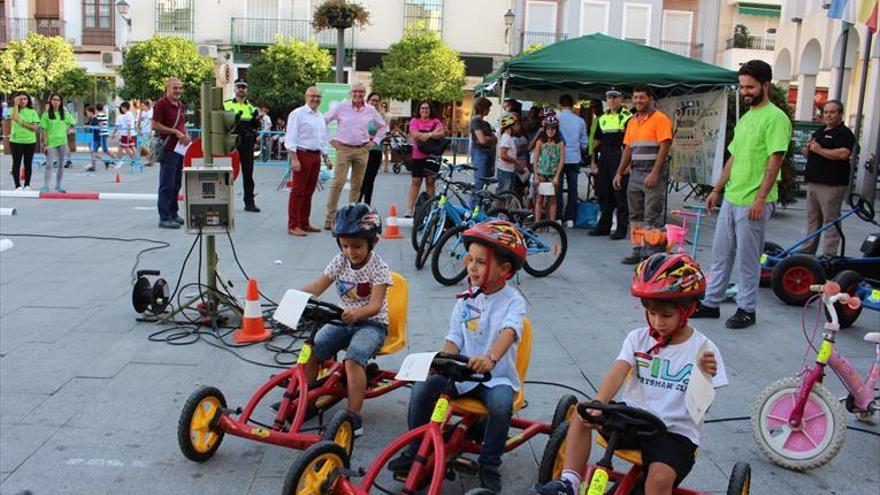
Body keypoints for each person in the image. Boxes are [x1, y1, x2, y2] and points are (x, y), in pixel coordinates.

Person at [537, 253, 728, 495]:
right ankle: (569, 482)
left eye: (666, 315)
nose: (658, 322)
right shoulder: (638, 338)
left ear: (688, 309)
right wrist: (599, 402)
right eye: (652, 313)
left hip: (674, 433)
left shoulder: (704, 350)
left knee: (658, 482)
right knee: (580, 413)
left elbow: (702, 407)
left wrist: (705, 376)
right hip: (631, 418)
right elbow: (618, 371)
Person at [388, 220, 528, 493]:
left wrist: (490, 358)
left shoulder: (514, 301)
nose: (472, 267)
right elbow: (454, 338)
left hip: (495, 377)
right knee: (422, 388)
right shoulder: (465, 299)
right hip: (461, 376)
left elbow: (509, 331)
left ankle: (489, 463)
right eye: (470, 260)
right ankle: (417, 449)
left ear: (505, 270)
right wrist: (439, 363)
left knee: (500, 405)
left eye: (480, 262)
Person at [691, 60, 792, 329]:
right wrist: (716, 190)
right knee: (720, 254)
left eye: (750, 87)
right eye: (742, 87)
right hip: (732, 198)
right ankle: (711, 303)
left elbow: (775, 162)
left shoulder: (776, 118)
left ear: (766, 86)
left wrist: (760, 199)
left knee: (748, 260)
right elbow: (733, 158)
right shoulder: (747, 118)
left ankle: (747, 309)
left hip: (754, 202)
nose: (745, 92)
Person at [298, 203, 391, 437]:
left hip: (372, 323)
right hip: (343, 320)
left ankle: (353, 414)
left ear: (373, 241)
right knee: (313, 350)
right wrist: (295, 297)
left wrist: (357, 314)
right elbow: (318, 286)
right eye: (345, 245)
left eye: (357, 246)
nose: (351, 251)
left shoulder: (379, 268)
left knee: (353, 360)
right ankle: (304, 401)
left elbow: (376, 305)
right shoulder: (340, 260)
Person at [614, 86, 673, 264]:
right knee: (635, 216)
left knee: (652, 217)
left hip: (653, 175)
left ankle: (651, 256)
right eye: (635, 98)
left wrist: (655, 173)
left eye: (642, 97)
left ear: (650, 99)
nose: (638, 101)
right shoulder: (632, 121)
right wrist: (619, 172)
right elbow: (628, 149)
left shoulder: (660, 119)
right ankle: (637, 250)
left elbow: (665, 146)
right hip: (635, 174)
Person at [323, 82, 387, 230]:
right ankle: (330, 218)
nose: (358, 94)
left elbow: (383, 126)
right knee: (337, 183)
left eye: (361, 92)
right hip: (343, 149)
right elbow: (323, 120)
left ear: (365, 94)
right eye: (355, 91)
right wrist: (331, 140)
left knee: (356, 186)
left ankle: (351, 217)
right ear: (350, 93)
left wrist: (375, 141)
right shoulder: (341, 107)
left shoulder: (370, 109)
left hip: (362, 150)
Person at [800, 100, 855, 256]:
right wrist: (807, 149)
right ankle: (808, 252)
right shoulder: (819, 131)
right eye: (825, 112)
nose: (828, 115)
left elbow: (843, 154)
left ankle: (829, 255)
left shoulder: (844, 133)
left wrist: (818, 149)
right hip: (813, 181)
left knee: (831, 221)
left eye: (832, 112)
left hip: (831, 184)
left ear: (840, 114)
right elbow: (809, 152)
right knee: (812, 219)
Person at [284, 86, 332, 237]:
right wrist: (294, 159)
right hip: (302, 155)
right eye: (312, 96)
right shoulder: (298, 114)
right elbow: (291, 137)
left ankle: (304, 222)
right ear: (306, 97)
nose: (315, 99)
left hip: (315, 156)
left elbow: (322, 139)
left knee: (309, 191)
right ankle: (293, 225)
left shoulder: (320, 117)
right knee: (298, 191)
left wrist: (326, 157)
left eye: (318, 96)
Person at [591, 88, 633, 239]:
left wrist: (628, 165)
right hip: (605, 157)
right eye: (609, 98)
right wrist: (593, 161)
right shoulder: (602, 118)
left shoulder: (628, 117)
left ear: (621, 99)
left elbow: (631, 143)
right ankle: (604, 226)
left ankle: (621, 229)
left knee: (620, 194)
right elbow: (597, 142)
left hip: (619, 155)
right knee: (604, 193)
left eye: (615, 97)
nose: (612, 100)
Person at [152, 77, 191, 229]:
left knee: (176, 183)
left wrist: (185, 134)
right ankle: (164, 216)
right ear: (167, 88)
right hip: (168, 149)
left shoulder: (180, 105)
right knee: (166, 184)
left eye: (180, 88)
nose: (178, 91)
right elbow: (154, 125)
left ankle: (173, 213)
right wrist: (174, 131)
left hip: (180, 149)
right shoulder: (161, 104)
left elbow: (182, 124)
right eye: (175, 88)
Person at [224, 78, 261, 212]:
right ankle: (224, 201)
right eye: (239, 87)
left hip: (246, 143)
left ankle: (249, 203)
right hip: (231, 142)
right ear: (234, 89)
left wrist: (258, 120)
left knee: (248, 173)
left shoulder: (251, 108)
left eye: (243, 87)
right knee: (226, 173)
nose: (241, 89)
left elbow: (256, 126)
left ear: (246, 90)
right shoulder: (226, 105)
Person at [405, 100, 445, 215]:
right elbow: (415, 135)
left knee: (431, 181)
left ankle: (430, 208)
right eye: (422, 108)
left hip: (433, 155)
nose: (424, 110)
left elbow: (442, 133)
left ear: (430, 110)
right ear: (419, 110)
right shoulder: (414, 121)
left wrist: (426, 135)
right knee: (416, 181)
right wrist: (432, 133)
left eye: (427, 108)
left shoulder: (436, 121)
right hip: (418, 155)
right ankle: (409, 209)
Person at [556, 94, 588, 227]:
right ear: (572, 104)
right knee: (573, 189)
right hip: (574, 157)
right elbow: (584, 143)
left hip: (558, 158)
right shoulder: (580, 121)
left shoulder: (556, 119)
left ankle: (557, 216)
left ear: (560, 104)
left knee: (557, 188)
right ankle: (570, 218)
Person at [38, 94, 76, 193]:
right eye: (54, 100)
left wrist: (66, 129)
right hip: (51, 143)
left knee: (61, 165)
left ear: (60, 102)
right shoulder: (46, 114)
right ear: (51, 101)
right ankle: (46, 186)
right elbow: (44, 131)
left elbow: (73, 122)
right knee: (49, 164)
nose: (55, 101)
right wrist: (45, 144)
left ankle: (58, 185)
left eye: (58, 100)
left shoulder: (64, 114)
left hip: (62, 141)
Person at [532, 114, 564, 221]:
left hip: (553, 174)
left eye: (553, 128)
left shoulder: (560, 143)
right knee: (539, 198)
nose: (551, 131)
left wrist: (557, 176)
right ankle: (537, 222)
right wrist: (536, 176)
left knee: (553, 199)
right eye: (548, 128)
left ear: (556, 129)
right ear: (545, 129)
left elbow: (561, 161)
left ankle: (551, 222)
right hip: (541, 173)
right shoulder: (540, 142)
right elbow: (535, 160)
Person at [359, 92, 386, 206]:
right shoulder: (362, 113)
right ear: (367, 101)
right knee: (362, 178)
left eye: (377, 101)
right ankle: (357, 202)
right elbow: (357, 130)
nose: (375, 103)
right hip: (363, 150)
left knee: (371, 179)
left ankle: (367, 205)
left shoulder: (381, 116)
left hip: (376, 150)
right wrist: (370, 136)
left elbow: (384, 132)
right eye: (373, 100)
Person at [9, 94, 39, 190]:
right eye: (20, 99)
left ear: (28, 100)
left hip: (30, 141)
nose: (23, 101)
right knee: (16, 163)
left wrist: (21, 122)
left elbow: (34, 128)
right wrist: (15, 105)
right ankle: (17, 185)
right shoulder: (13, 110)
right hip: (16, 141)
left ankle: (27, 185)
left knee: (28, 164)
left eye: (25, 99)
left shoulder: (32, 112)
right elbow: (15, 118)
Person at [470, 97, 497, 195]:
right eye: (488, 108)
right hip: (480, 153)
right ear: (483, 108)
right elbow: (482, 140)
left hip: (487, 153)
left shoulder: (486, 123)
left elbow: (495, 139)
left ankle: (479, 205)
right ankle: (473, 207)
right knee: (479, 183)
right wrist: (489, 139)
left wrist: (488, 139)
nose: (489, 110)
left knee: (485, 182)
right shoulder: (476, 121)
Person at [494, 112, 523, 195]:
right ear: (511, 126)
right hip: (505, 170)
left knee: (505, 194)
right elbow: (503, 155)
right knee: (503, 194)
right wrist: (515, 160)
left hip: (507, 169)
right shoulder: (506, 138)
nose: (518, 127)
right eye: (516, 125)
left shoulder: (507, 138)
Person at [111, 101, 136, 170]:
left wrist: (128, 134)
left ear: (124, 107)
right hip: (127, 133)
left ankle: (132, 160)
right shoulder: (129, 114)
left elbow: (128, 125)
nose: (121, 109)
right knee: (126, 147)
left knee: (126, 147)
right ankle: (131, 160)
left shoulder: (127, 114)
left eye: (122, 107)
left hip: (126, 133)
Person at [138, 99, 154, 166]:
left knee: (144, 146)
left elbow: (151, 122)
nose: (142, 107)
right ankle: (150, 160)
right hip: (143, 131)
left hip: (148, 131)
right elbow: (139, 120)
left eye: (143, 106)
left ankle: (151, 158)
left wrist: (150, 131)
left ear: (146, 105)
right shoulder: (144, 112)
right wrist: (141, 111)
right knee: (145, 146)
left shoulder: (151, 111)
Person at [95, 103, 111, 169]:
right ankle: (106, 161)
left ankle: (116, 160)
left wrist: (94, 127)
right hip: (103, 134)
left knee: (104, 150)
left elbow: (100, 125)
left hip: (101, 134)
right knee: (94, 150)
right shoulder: (103, 114)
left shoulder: (99, 115)